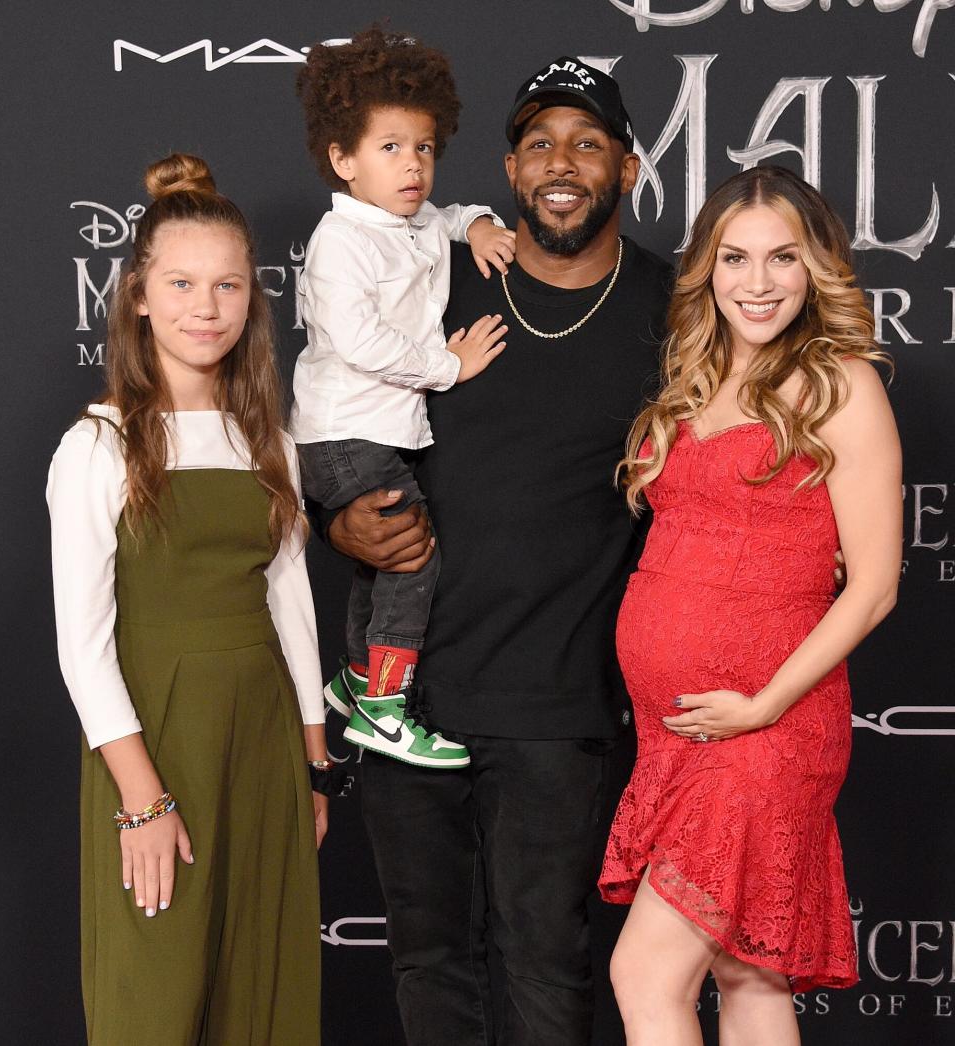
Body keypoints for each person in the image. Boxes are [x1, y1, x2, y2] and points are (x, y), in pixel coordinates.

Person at [325, 58, 671, 1045]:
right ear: (512, 171)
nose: (561, 163)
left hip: (560, 707)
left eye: (587, 142)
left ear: (629, 168)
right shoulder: (429, 278)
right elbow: (329, 428)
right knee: (430, 965)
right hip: (409, 698)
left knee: (545, 964)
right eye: (539, 144)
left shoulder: (677, 308)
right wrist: (332, 518)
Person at [599, 166, 902, 1046]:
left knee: (644, 975)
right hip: (681, 730)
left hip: (768, 725)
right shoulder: (694, 376)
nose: (757, 282)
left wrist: (764, 703)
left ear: (816, 270)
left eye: (782, 259)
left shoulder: (841, 383)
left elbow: (876, 583)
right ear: (708, 269)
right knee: (749, 974)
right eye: (735, 258)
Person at [47, 154, 330, 1046]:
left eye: (227, 285)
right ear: (136, 295)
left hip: (264, 738)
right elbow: (82, 647)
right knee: (155, 999)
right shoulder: (95, 445)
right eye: (180, 283)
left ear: (253, 299)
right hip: (155, 742)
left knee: (263, 989)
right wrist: (142, 798)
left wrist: (312, 758)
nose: (204, 308)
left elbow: (291, 599)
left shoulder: (271, 442)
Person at [290, 27, 515, 768]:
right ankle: (386, 709)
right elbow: (361, 343)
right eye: (390, 148)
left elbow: (443, 219)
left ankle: (356, 684)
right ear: (343, 159)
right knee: (413, 560)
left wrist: (477, 221)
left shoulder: (411, 218)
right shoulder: (341, 242)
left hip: (378, 432)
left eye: (422, 148)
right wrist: (446, 366)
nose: (412, 165)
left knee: (382, 563)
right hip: (344, 435)